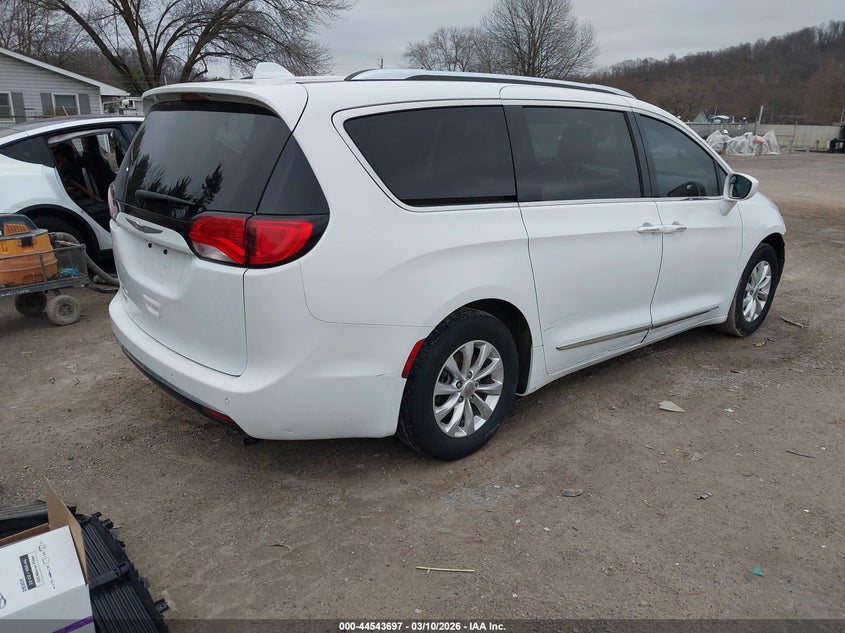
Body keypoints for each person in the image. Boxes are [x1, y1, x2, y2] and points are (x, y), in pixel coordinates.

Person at [51, 142, 110, 229]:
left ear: (62, 157)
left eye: (58, 160)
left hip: (87, 203)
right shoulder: (79, 164)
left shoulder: (69, 172)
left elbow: (83, 191)